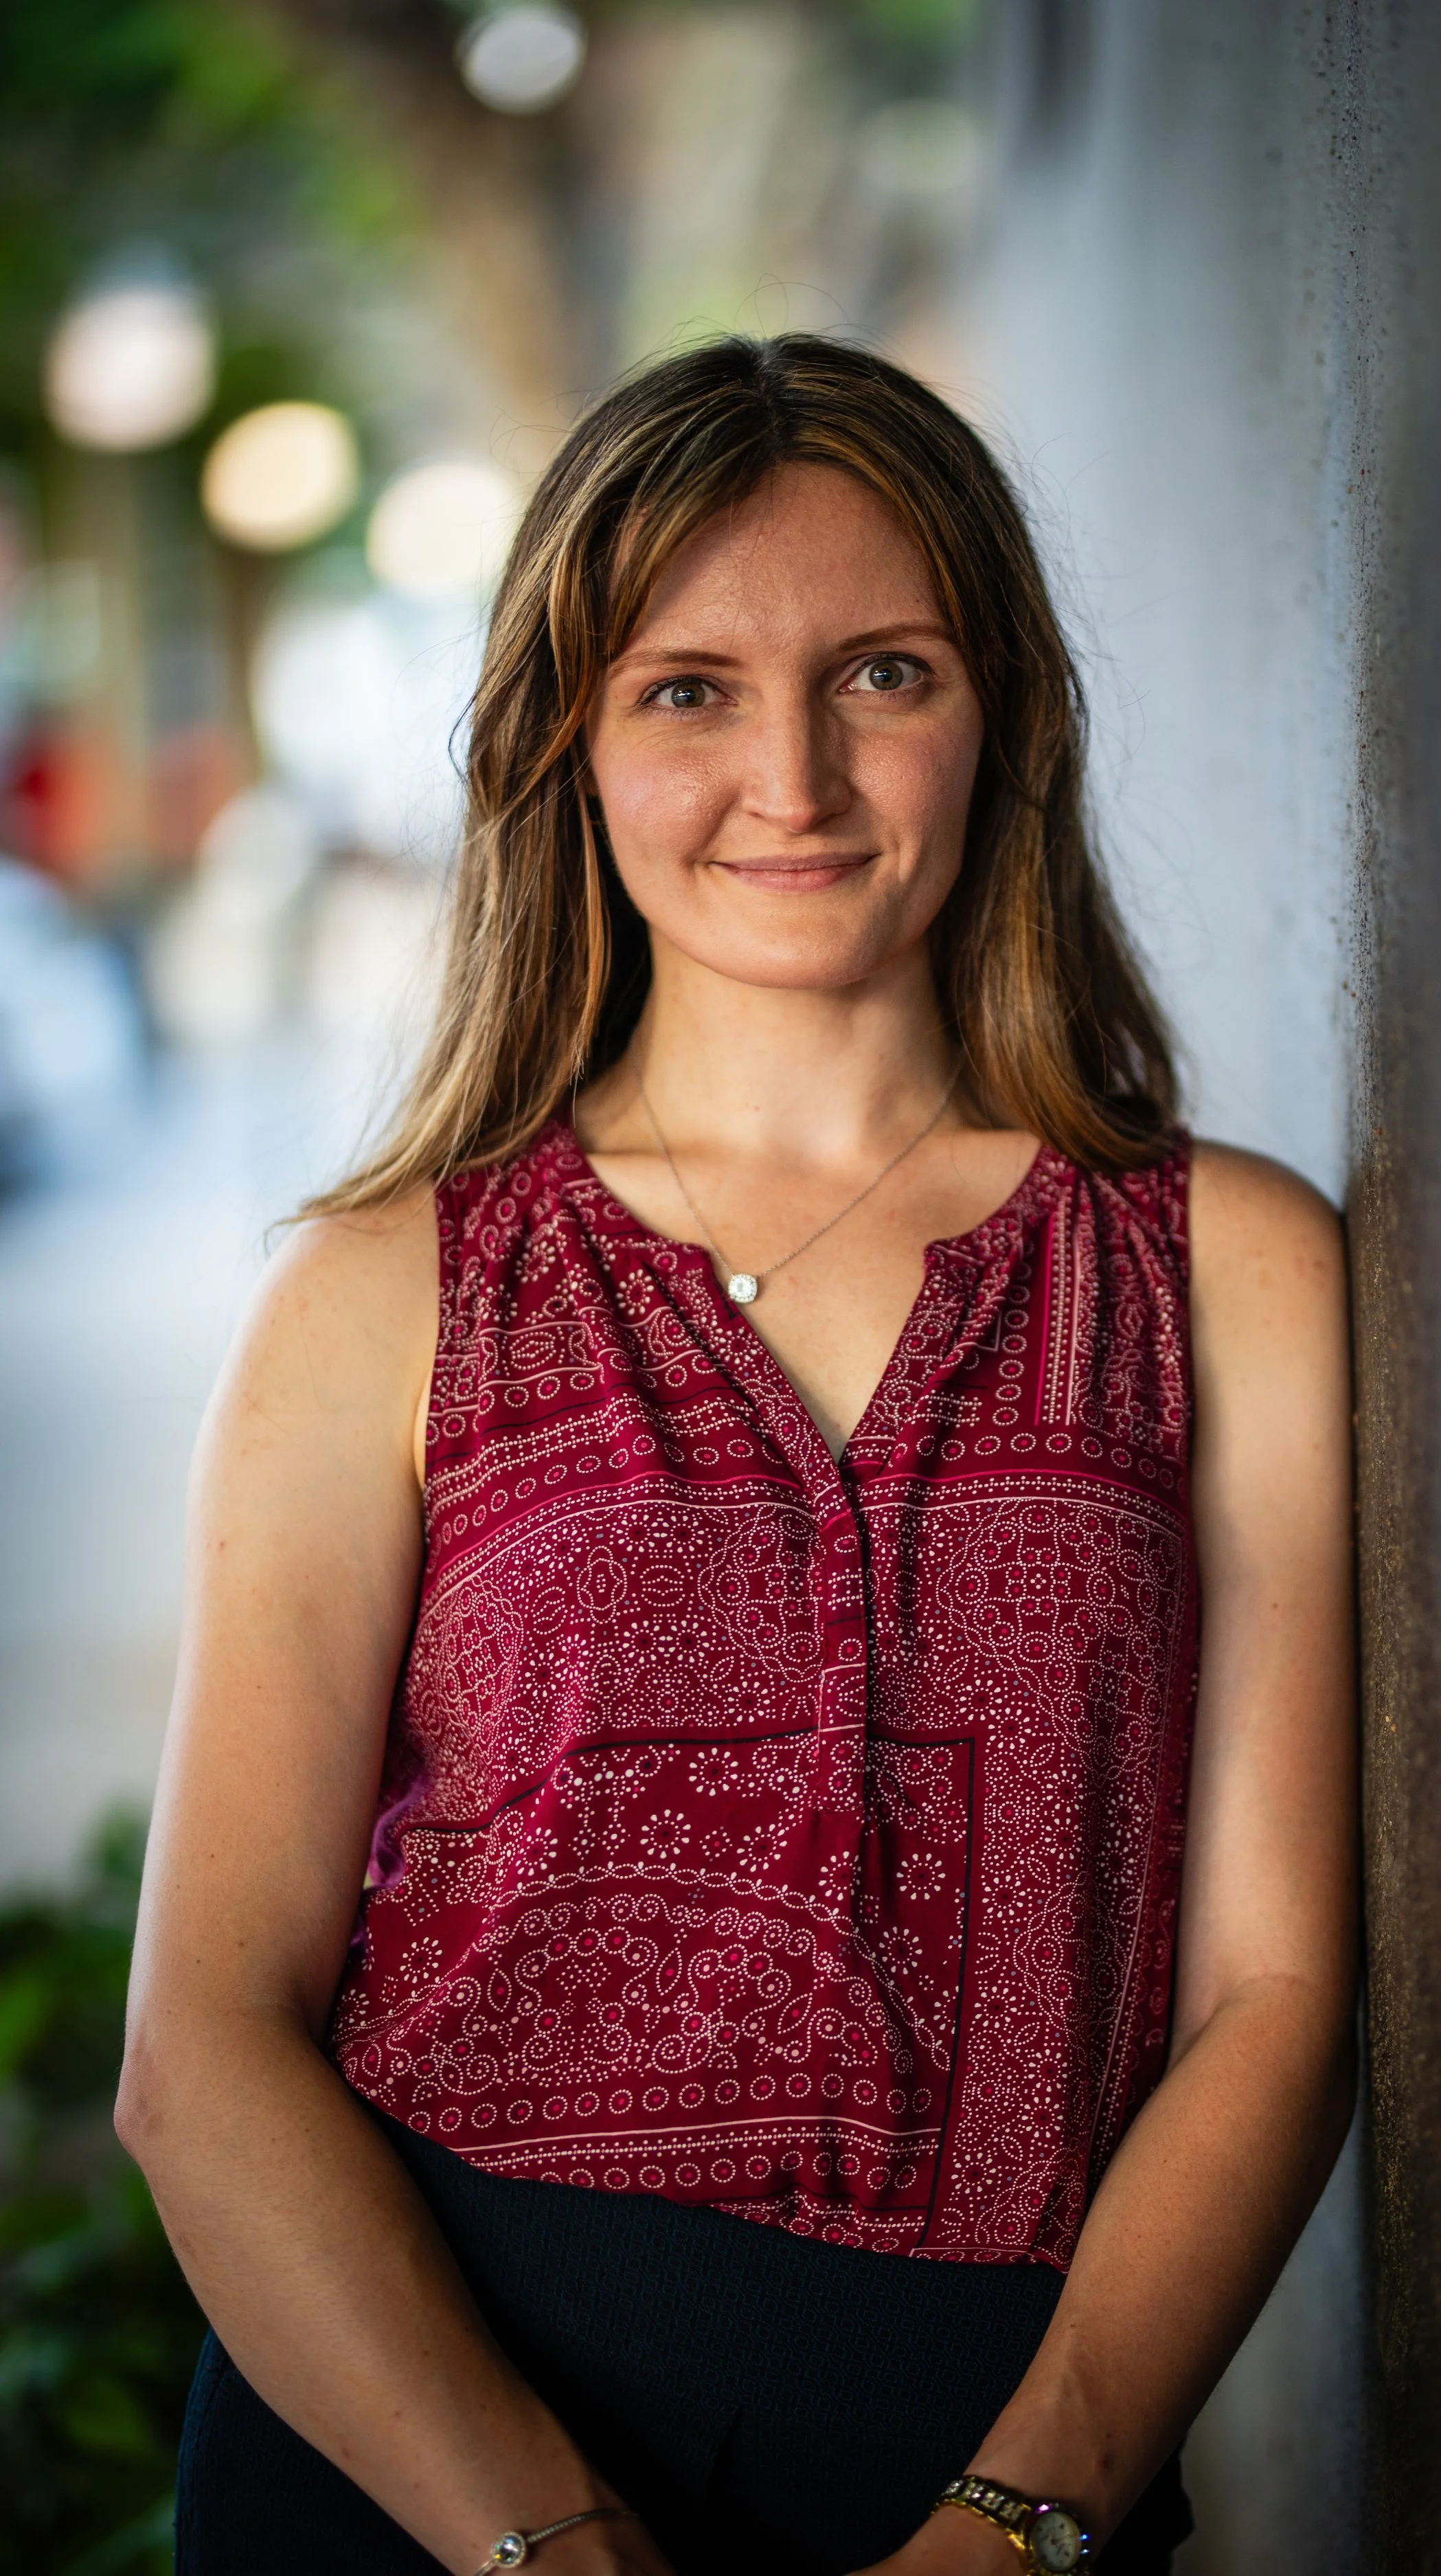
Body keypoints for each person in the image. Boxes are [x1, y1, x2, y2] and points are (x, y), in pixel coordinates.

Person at [117, 335, 1356, 2576]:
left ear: (1006, 720)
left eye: (881, 669)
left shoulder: (1224, 1267)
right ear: (565, 740)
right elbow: (203, 2038)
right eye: (687, 686)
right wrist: (545, 2544)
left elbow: (1272, 1991)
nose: (790, 772)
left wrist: (1022, 2511)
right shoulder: (388, 1289)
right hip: (418, 2461)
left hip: (1008, 2463)